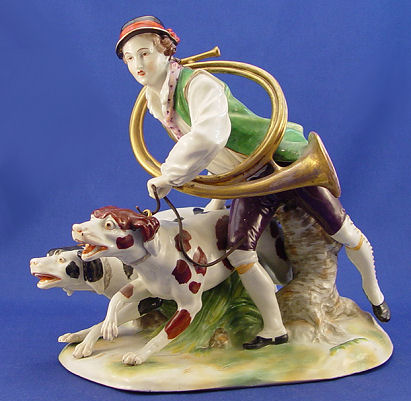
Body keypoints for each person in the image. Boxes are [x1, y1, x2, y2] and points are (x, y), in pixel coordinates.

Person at [116, 16, 390, 349]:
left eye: (144, 53)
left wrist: (170, 176)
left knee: (342, 231)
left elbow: (209, 137)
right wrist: (217, 196)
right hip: (249, 180)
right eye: (129, 58)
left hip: (280, 163)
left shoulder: (198, 85)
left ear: (165, 50)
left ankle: (374, 291)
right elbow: (210, 152)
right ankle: (274, 327)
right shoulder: (156, 98)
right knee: (241, 254)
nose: (137, 64)